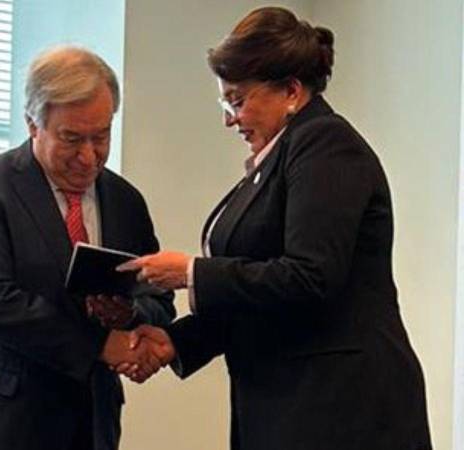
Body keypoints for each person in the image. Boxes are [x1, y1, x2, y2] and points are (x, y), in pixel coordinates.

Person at [118, 7, 432, 450]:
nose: (229, 118)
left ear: (290, 90)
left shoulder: (325, 143)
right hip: (287, 401)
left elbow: (309, 276)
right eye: (224, 102)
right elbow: (261, 296)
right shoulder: (280, 158)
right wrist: (175, 340)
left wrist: (191, 272)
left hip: (340, 407)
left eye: (238, 100)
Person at [0, 46, 175, 450]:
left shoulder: (126, 201)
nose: (89, 157)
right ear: (33, 123)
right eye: (71, 138)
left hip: (90, 422)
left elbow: (158, 297)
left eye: (101, 136)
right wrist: (100, 346)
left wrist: (130, 315)